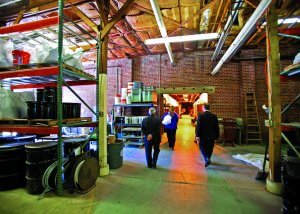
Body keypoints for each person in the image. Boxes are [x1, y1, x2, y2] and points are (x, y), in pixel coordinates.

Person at [196, 103, 219, 167]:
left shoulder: (201, 116)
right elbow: (216, 127)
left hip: (203, 136)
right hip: (212, 135)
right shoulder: (214, 116)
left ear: (203, 108)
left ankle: (206, 158)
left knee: (202, 146)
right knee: (210, 147)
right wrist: (217, 136)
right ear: (209, 108)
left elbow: (199, 126)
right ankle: (208, 157)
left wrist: (197, 135)